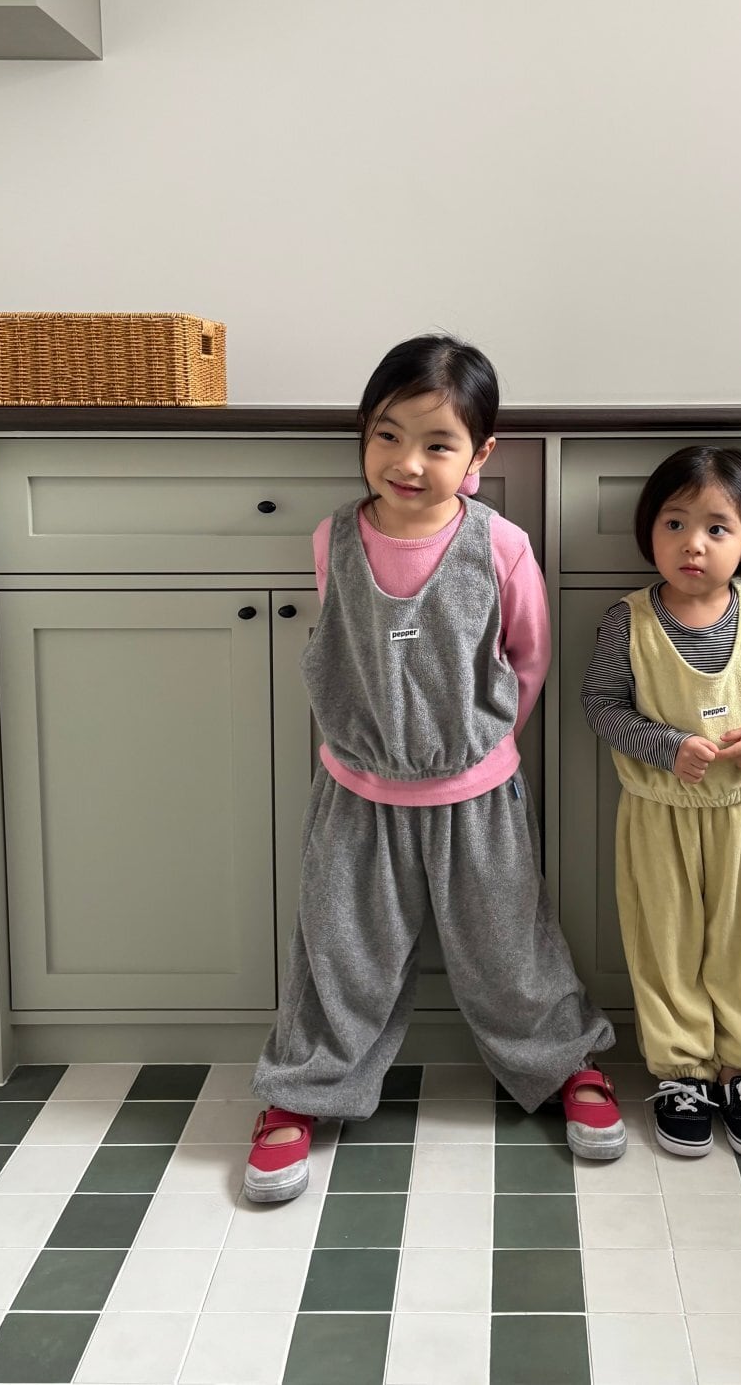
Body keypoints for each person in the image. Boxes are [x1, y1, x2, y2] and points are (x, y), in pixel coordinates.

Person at [246, 334, 624, 1200]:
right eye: (387, 435)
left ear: (480, 455)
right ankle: (301, 1088)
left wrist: (479, 747)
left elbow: (528, 657)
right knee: (338, 948)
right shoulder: (333, 539)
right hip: (356, 793)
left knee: (509, 945)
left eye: (437, 443)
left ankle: (566, 1061)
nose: (408, 462)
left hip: (477, 796)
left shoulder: (501, 545)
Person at [581, 445, 741, 1159]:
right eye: (675, 523)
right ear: (649, 530)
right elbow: (601, 703)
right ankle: (682, 1072)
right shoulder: (628, 621)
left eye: (717, 527)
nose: (693, 543)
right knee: (666, 943)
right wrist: (666, 745)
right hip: (658, 813)